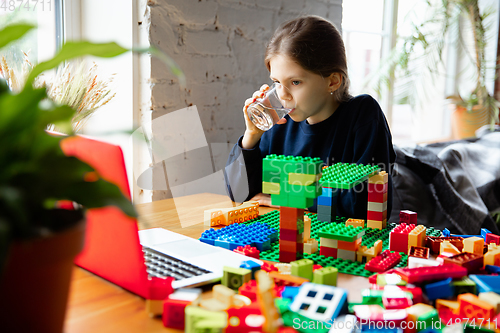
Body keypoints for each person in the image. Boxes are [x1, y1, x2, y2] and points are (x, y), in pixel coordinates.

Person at [224, 15, 396, 219]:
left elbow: (365, 204)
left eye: (295, 82)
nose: (283, 95)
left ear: (332, 82)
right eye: (277, 82)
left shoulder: (363, 115)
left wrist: (285, 198)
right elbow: (239, 193)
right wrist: (251, 137)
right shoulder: (279, 122)